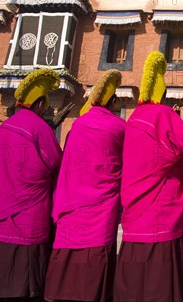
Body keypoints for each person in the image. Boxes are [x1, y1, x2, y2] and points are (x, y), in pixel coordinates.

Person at [0, 68, 63, 299]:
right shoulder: (39, 128)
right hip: (26, 210)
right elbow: (53, 162)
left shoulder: (5, 127)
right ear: (40, 105)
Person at [114, 51, 183, 302]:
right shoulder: (163, 115)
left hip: (134, 200)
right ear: (161, 94)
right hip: (161, 204)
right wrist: (182, 121)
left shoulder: (134, 118)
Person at [45, 70, 125, 301]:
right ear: (112, 101)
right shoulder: (118, 127)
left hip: (72, 198)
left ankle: (60, 291)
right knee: (96, 247)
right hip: (102, 201)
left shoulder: (78, 125)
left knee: (69, 244)